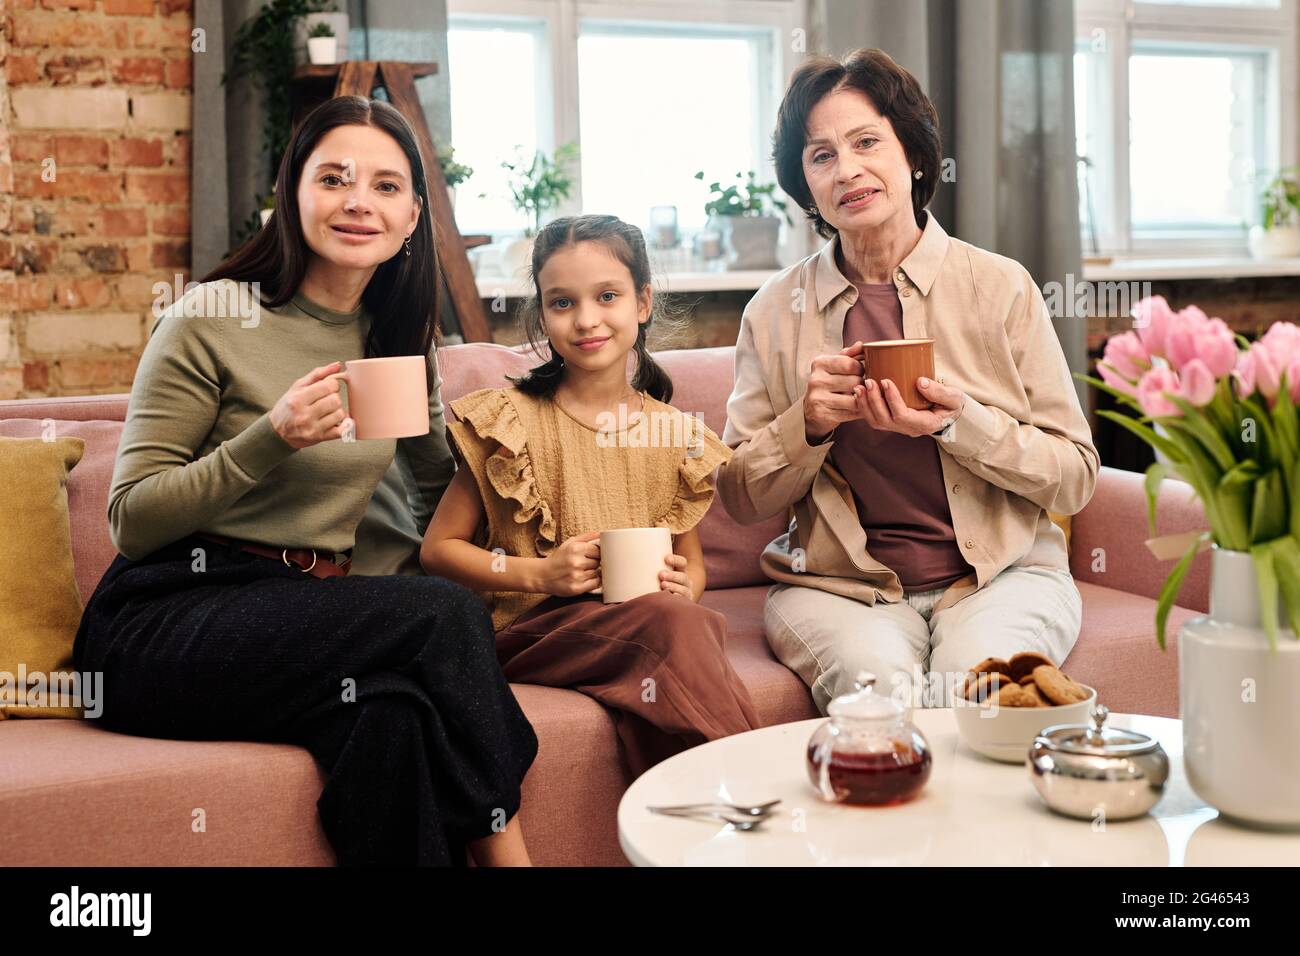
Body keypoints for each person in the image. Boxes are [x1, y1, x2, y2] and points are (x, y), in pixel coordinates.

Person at [72, 95, 537, 866]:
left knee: (393, 719)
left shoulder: (393, 342)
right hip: (161, 621)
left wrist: (521, 465)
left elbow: (436, 499)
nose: (361, 201)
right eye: (335, 179)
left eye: (387, 187)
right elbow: (132, 519)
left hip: (305, 617)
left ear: (414, 216)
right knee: (444, 618)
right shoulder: (210, 317)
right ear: (291, 195)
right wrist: (272, 438)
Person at [717, 49, 1099, 714]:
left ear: (914, 156)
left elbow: (1075, 475)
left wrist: (960, 422)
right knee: (878, 702)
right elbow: (741, 498)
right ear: (804, 185)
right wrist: (805, 425)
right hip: (837, 591)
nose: (848, 169)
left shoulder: (1000, 286)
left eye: (867, 141)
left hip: (999, 580)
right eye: (821, 156)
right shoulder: (775, 311)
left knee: (971, 693)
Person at [421, 214, 760, 777]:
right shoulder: (510, 421)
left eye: (607, 296)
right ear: (542, 314)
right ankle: (754, 792)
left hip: (636, 628)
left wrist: (684, 585)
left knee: (672, 640)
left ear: (643, 302)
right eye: (561, 303)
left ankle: (689, 819)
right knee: (679, 627)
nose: (586, 320)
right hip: (529, 634)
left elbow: (692, 568)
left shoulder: (675, 434)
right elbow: (438, 552)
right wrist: (542, 574)